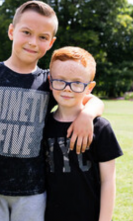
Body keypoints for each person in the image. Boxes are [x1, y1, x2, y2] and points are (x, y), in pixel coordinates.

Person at [0, 1, 104, 221]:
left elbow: (92, 98)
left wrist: (88, 114)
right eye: (26, 32)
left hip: (33, 193)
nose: (32, 42)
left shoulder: (49, 81)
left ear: (51, 43)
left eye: (42, 37)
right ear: (12, 31)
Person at [44, 46, 123, 221]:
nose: (67, 89)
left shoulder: (101, 128)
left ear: (89, 87)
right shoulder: (43, 125)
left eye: (77, 83)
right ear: (50, 81)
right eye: (60, 81)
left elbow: (108, 181)